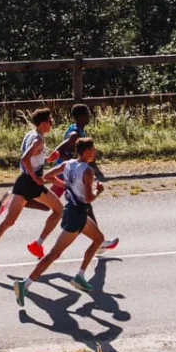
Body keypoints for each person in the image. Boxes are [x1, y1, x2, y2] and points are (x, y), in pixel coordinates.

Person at [13, 137, 107, 304]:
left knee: (99, 239)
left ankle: (80, 276)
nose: (95, 153)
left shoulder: (68, 164)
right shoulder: (88, 171)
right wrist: (98, 191)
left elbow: (48, 176)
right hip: (77, 215)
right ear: (86, 153)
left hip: (74, 211)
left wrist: (67, 185)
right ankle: (24, 285)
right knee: (54, 254)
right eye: (93, 150)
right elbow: (88, 198)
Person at [0, 108, 63, 276]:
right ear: (43, 124)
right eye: (50, 121)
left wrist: (48, 159)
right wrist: (35, 178)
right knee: (58, 210)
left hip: (22, 181)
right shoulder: (38, 140)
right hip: (30, 183)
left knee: (9, 221)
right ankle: (38, 244)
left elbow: (32, 158)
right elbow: (25, 159)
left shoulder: (31, 135)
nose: (52, 124)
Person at [52, 104, 118, 253]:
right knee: (45, 203)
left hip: (69, 173)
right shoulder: (75, 133)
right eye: (87, 113)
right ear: (81, 116)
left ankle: (99, 241)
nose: (89, 116)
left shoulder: (77, 130)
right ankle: (14, 197)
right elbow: (58, 151)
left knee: (85, 206)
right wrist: (71, 162)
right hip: (67, 174)